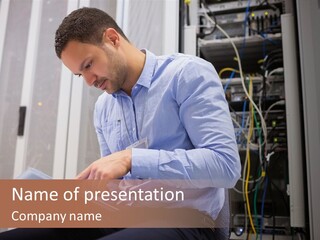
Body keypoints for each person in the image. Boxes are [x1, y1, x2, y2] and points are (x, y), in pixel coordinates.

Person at [0, 7, 240, 240]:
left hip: (184, 219)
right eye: (79, 74)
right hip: (124, 216)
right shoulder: (103, 108)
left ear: (112, 39)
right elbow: (118, 188)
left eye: (88, 65)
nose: (88, 81)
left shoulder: (186, 74)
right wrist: (77, 196)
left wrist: (131, 159)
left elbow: (226, 167)